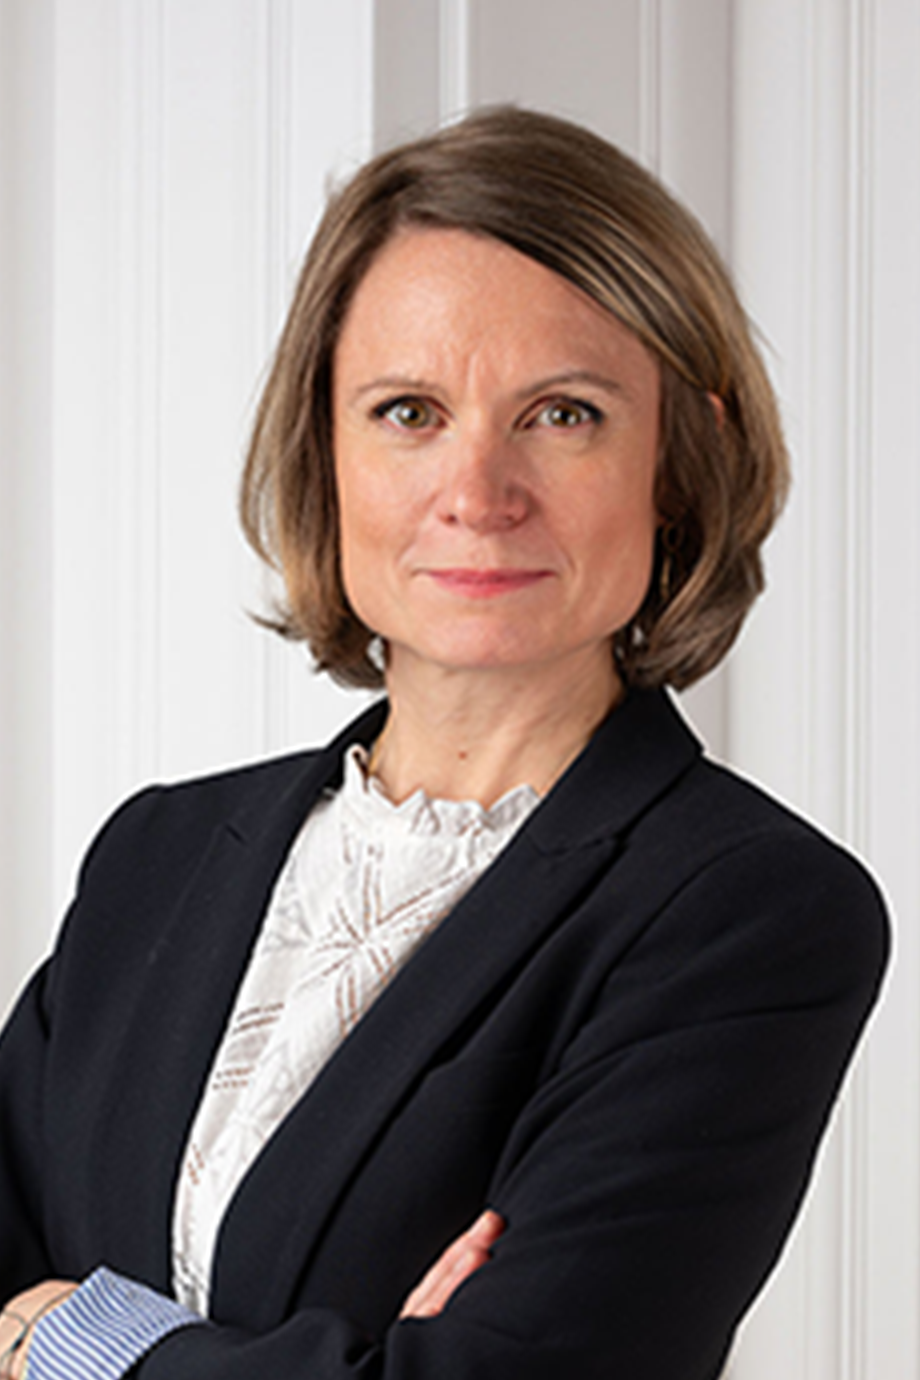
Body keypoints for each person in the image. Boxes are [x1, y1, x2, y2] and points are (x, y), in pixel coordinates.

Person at [0, 106, 889, 1380]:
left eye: (563, 414)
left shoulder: (748, 912)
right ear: (326, 450)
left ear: (676, 461)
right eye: (408, 411)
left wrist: (76, 1339)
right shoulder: (158, 854)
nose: (477, 494)